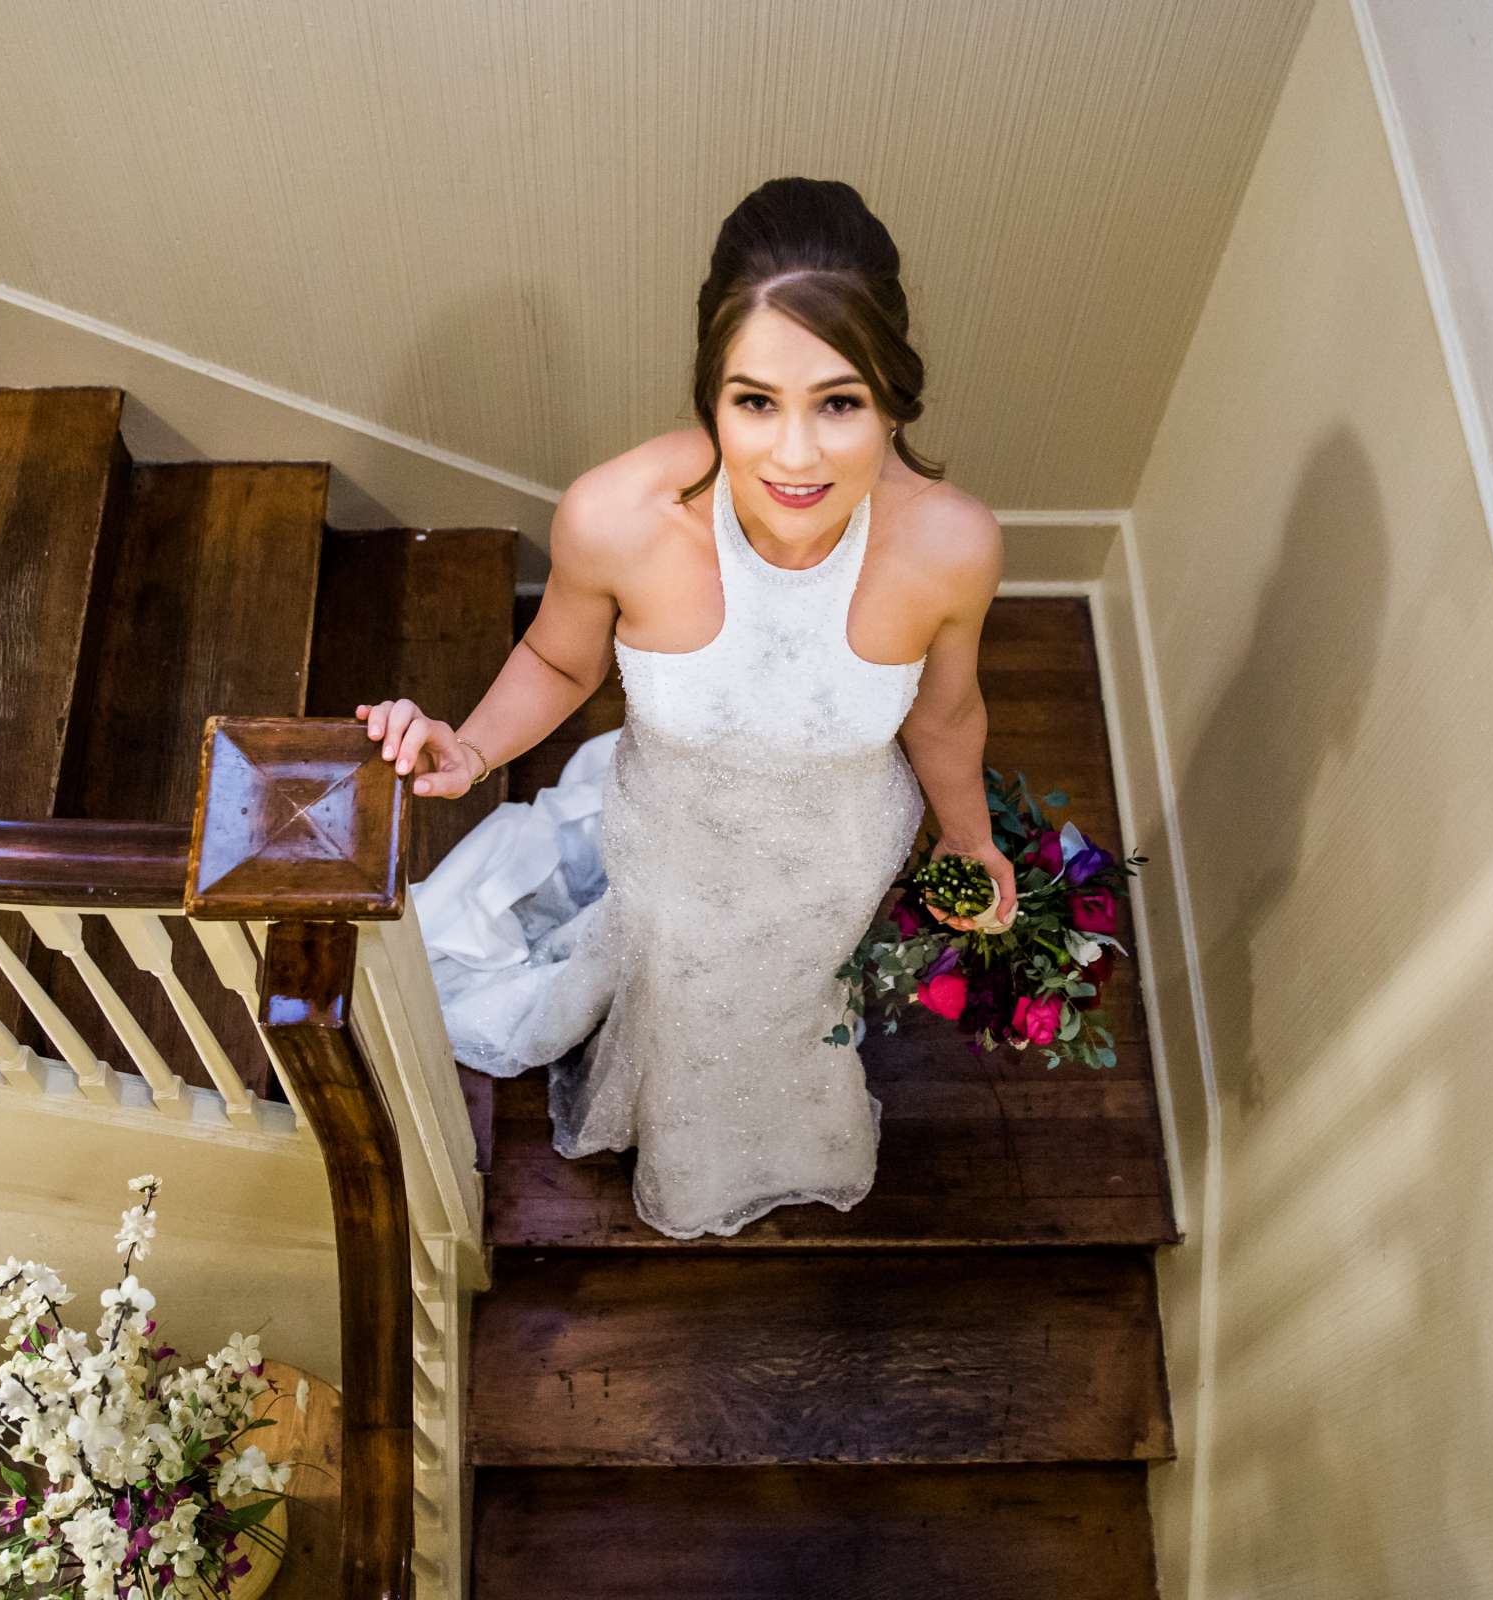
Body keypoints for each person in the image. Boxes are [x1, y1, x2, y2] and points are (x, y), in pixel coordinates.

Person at [354, 176, 1015, 1240]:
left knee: (791, 1006)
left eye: (838, 403)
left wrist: (972, 839)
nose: (794, 458)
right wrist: (469, 746)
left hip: (833, 863)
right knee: (685, 1001)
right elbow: (560, 664)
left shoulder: (953, 547)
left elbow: (942, 717)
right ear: (710, 386)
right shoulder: (615, 517)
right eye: (756, 401)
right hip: (674, 852)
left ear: (893, 391)